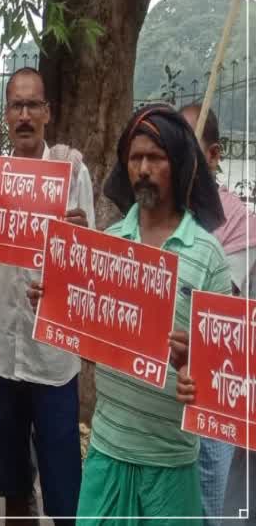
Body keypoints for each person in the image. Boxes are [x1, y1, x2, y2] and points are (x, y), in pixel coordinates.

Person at [60, 103, 231, 522]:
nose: (143, 169)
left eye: (155, 158)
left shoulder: (209, 257)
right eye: (135, 158)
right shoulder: (110, 244)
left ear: (179, 164)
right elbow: (88, 349)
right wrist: (59, 306)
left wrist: (196, 361)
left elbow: (227, 375)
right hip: (107, 452)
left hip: (171, 464)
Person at [0, 68, 93, 524]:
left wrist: (77, 242)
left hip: (52, 360)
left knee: (64, 492)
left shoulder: (71, 172)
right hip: (3, 357)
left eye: (33, 105)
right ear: (6, 115)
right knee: (12, 489)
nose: (24, 115)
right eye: (16, 106)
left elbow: (88, 266)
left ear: (48, 113)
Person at [180, 103, 253, 525]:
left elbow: (223, 308)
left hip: (212, 397)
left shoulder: (238, 224)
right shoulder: (157, 217)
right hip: (159, 400)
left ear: (213, 155)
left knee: (210, 504)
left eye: (188, 147)